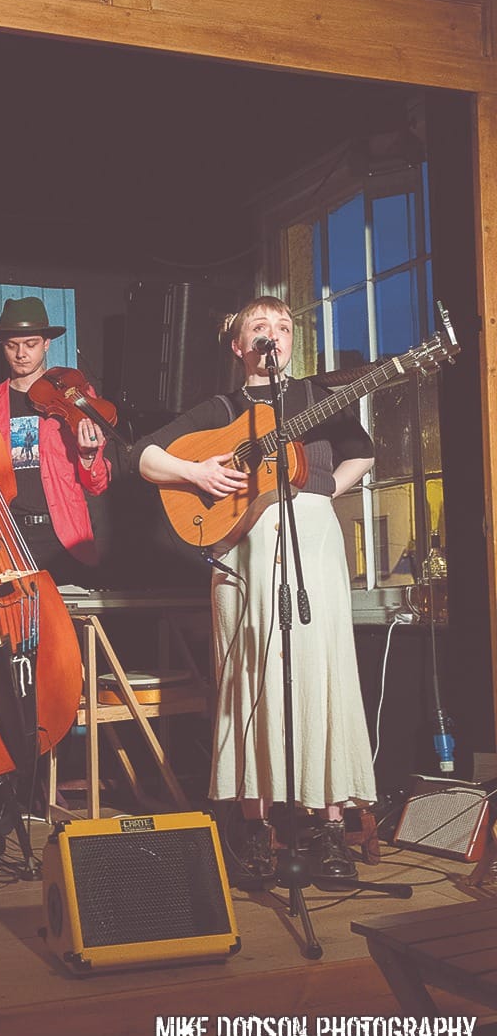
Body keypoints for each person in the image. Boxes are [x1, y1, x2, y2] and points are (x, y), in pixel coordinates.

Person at [132, 296, 377, 888]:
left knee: (321, 676)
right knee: (253, 678)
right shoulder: (220, 409)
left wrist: (323, 492)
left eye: (284, 327)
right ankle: (253, 830)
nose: (274, 335)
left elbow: (363, 454)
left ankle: (328, 827)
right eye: (260, 327)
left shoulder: (316, 398)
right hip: (245, 551)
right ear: (238, 345)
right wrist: (197, 472)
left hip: (313, 542)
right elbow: (143, 457)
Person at [0, 296, 110, 584]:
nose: (21, 354)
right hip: (6, 535)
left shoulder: (76, 396)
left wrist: (88, 456)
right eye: (12, 345)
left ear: (46, 343)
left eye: (30, 344)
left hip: (64, 537)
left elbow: (98, 485)